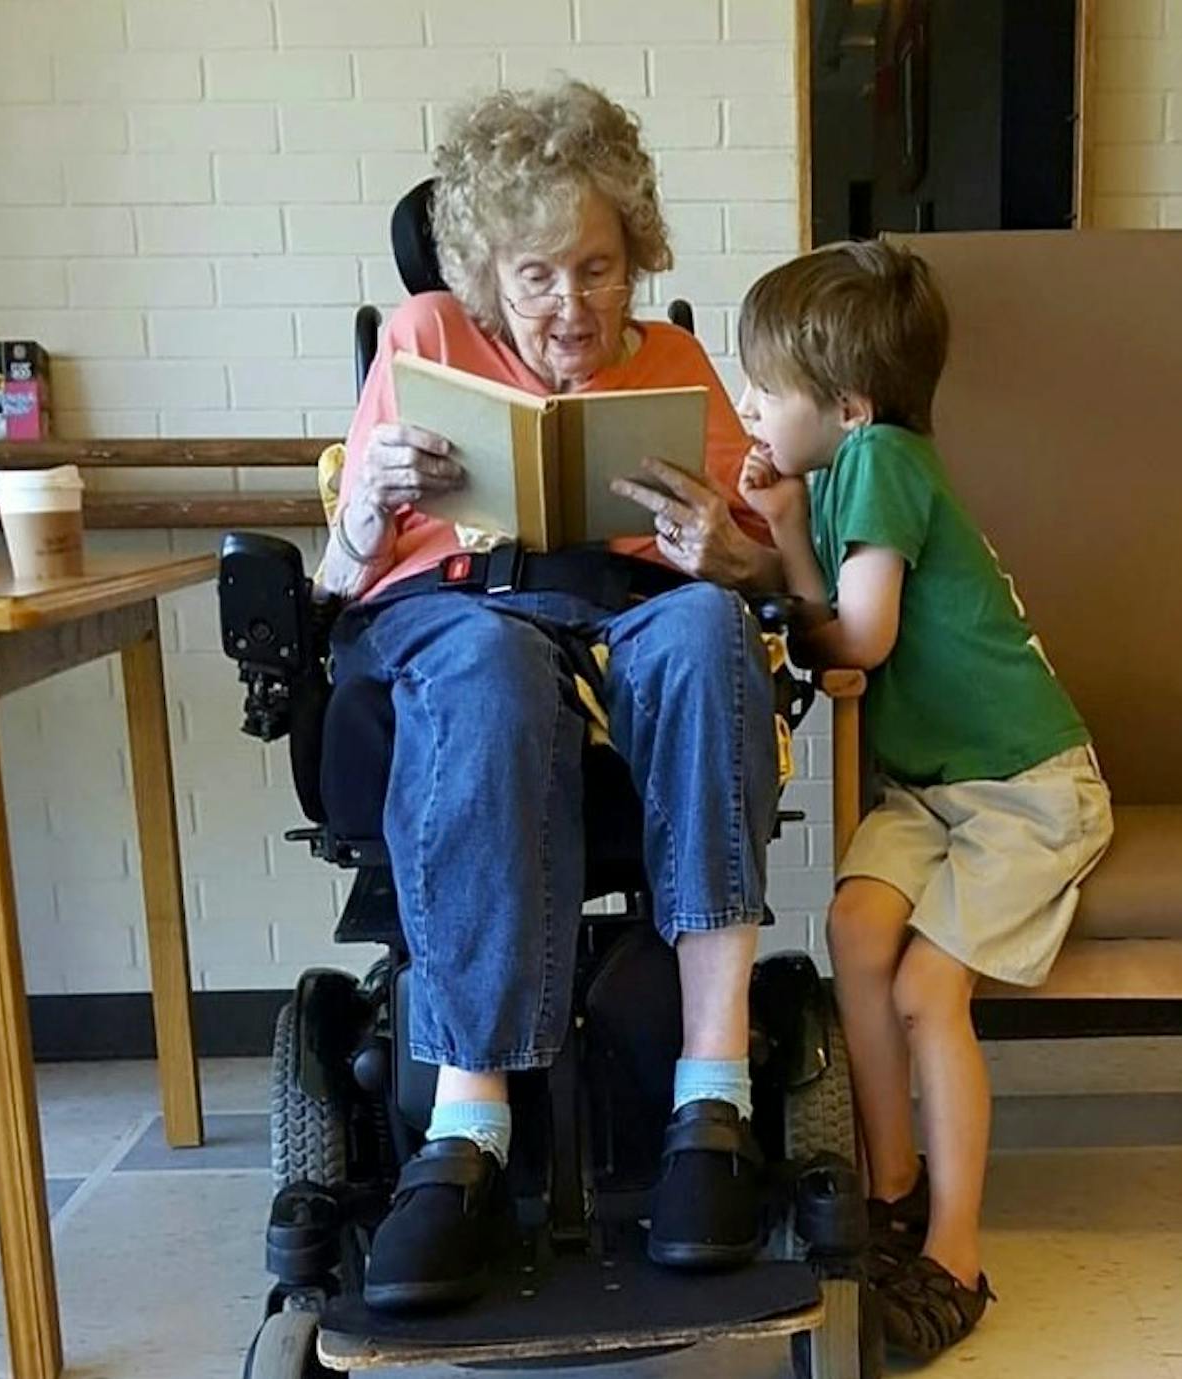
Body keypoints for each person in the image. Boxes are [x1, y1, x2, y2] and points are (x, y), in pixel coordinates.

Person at [324, 80, 787, 1311]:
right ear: (483, 271)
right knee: (486, 662)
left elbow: (757, 563)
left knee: (702, 627)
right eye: (534, 276)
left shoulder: (679, 361)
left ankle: (712, 1098)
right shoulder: (420, 339)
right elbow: (338, 578)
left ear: (633, 252)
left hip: (626, 621)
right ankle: (465, 1130)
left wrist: (722, 554)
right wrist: (369, 502)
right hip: (454, 620)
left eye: (596, 269)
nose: (570, 305)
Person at [733, 240, 1114, 1362]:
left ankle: (952, 1242)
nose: (748, 401)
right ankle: (888, 1183)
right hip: (934, 789)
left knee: (921, 985)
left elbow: (858, 637)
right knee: (851, 926)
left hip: (1027, 789)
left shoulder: (888, 458)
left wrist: (782, 597)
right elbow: (834, 609)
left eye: (766, 386)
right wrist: (788, 533)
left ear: (847, 406)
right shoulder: (852, 473)